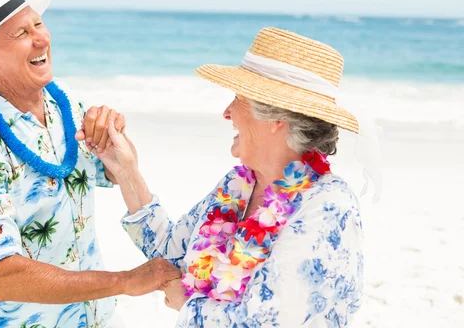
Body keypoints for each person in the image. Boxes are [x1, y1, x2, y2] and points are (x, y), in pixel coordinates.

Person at [0, 0, 180, 328]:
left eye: (38, 23)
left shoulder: (63, 103)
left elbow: (111, 171)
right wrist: (125, 281)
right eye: (21, 33)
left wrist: (120, 148)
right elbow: (3, 276)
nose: (42, 38)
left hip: (95, 317)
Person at [89, 27, 366, 327]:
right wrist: (126, 171)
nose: (226, 112)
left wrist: (188, 305)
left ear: (275, 119)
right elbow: (169, 252)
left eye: (238, 98)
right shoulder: (238, 185)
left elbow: (268, 321)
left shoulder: (328, 205)